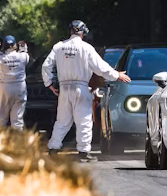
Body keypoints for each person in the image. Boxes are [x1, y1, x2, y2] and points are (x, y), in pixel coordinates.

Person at [42, 20, 130, 161]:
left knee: (62, 121)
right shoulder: (86, 48)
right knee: (84, 120)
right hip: (81, 88)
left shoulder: (58, 47)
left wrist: (50, 83)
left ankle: (53, 148)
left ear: (70, 31)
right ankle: (83, 152)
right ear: (83, 32)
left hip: (64, 88)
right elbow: (100, 67)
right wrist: (116, 75)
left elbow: (46, 66)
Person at [0, 35, 30, 130]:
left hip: (5, 88)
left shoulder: (0, 58)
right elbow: (26, 56)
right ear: (15, 45)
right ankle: (17, 142)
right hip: (20, 87)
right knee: (17, 119)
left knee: (2, 117)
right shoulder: (22, 56)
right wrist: (23, 48)